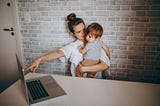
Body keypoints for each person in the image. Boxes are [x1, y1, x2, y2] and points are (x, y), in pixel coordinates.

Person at [25, 13, 110, 78]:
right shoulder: (73, 46)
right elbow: (58, 52)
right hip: (78, 84)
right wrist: (39, 59)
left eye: (84, 29)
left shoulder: (96, 43)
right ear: (73, 34)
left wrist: (83, 69)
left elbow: (104, 66)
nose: (83, 33)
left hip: (96, 83)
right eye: (78, 32)